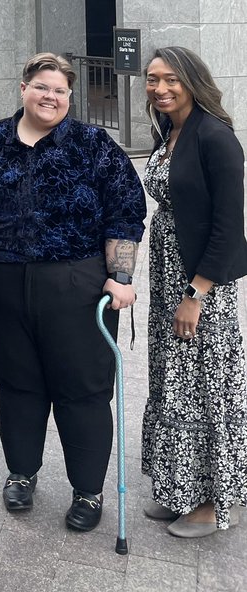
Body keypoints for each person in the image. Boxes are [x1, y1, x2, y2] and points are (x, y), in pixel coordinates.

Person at [0, 52, 146, 532]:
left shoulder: (93, 145)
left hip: (76, 285)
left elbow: (125, 212)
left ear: (69, 97)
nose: (51, 97)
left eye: (60, 90)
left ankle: (88, 489)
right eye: (42, 86)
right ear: (23, 88)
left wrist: (120, 279)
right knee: (17, 381)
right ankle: (22, 472)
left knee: (82, 387)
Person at [141, 46, 247, 537]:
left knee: (204, 390)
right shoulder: (171, 131)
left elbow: (229, 227)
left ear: (192, 80)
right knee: (173, 383)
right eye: (152, 79)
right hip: (168, 278)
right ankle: (180, 488)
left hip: (200, 284)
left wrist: (196, 293)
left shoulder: (215, 137)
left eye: (171, 80)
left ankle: (211, 501)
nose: (160, 89)